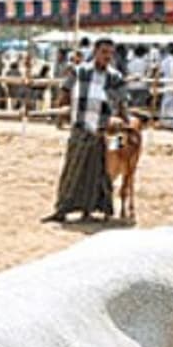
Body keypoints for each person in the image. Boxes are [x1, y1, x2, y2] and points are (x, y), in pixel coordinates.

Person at [44, 38, 127, 223]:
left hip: (101, 131)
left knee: (97, 173)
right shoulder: (79, 71)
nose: (107, 56)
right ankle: (62, 210)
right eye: (104, 52)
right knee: (72, 170)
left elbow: (121, 103)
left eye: (110, 53)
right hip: (80, 127)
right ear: (95, 52)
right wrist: (61, 111)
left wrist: (124, 123)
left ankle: (90, 210)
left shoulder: (115, 77)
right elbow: (65, 91)